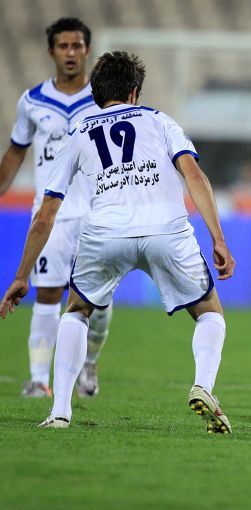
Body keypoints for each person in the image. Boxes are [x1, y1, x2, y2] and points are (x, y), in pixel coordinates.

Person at [0, 51, 236, 432]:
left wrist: (21, 275)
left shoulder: (78, 133)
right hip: (165, 229)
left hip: (105, 232)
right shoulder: (159, 120)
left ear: (96, 94)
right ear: (134, 92)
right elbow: (194, 175)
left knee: (77, 311)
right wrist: (218, 238)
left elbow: (46, 214)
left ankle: (60, 411)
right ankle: (203, 386)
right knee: (209, 312)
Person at [0, 18, 113, 399]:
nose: (70, 53)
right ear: (51, 51)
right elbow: (16, 150)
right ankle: (38, 379)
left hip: (97, 212)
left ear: (87, 50)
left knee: (97, 302)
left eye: (77, 46)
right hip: (51, 213)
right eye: (63, 46)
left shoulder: (102, 100)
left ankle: (90, 363)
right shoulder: (32, 101)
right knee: (47, 294)